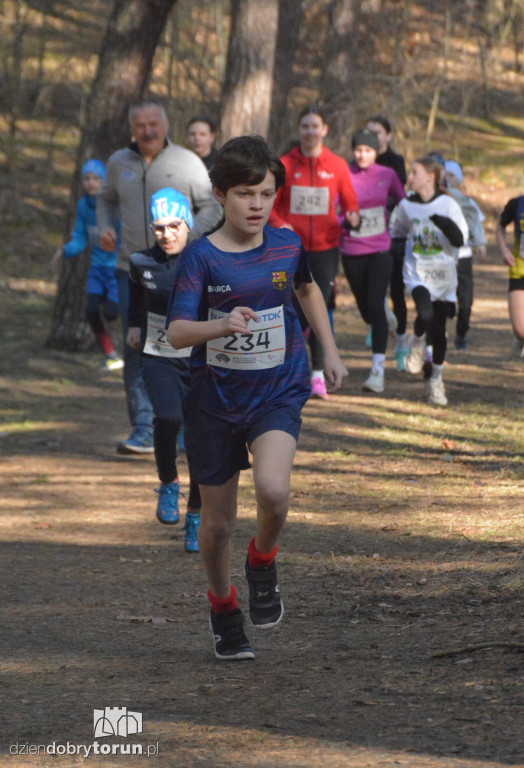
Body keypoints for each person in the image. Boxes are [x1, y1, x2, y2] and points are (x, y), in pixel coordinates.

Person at [167, 135, 347, 660]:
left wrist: (329, 353)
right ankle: (223, 606)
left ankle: (263, 559)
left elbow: (308, 289)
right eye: (246, 194)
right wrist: (220, 325)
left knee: (273, 491)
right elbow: (177, 333)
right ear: (221, 195)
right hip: (213, 400)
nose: (257, 205)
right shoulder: (200, 257)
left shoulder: (288, 245)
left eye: (266, 193)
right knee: (218, 525)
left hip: (276, 389)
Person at [97, 98, 222, 455]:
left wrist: (190, 238)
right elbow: (105, 200)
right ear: (132, 129)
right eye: (141, 126)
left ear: (166, 126)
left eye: (154, 124)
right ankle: (143, 427)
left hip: (184, 271)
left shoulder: (186, 161)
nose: (148, 131)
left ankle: (182, 424)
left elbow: (212, 203)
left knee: (184, 344)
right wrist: (106, 227)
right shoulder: (119, 162)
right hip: (131, 267)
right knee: (136, 343)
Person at [127, 188, 202, 552]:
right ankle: (169, 483)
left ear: (188, 224)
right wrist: (133, 325)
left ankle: (197, 516)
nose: (168, 234)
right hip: (159, 354)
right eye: (160, 228)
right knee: (168, 418)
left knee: (203, 440)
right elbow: (137, 296)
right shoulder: (141, 261)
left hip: (202, 359)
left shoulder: (205, 257)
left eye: (175, 225)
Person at [269, 106, 359, 399]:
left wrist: (354, 217)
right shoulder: (284, 164)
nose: (310, 131)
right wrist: (282, 225)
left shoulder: (337, 165)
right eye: (305, 126)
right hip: (289, 249)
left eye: (315, 126)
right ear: (299, 130)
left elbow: (350, 202)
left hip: (325, 249)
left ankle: (318, 373)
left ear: (324, 130)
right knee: (293, 309)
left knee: (320, 307)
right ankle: (290, 368)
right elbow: (269, 204)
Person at [390, 155, 468, 406]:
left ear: (430, 177)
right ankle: (418, 340)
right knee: (424, 314)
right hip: (418, 274)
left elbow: (459, 240)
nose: (409, 177)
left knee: (440, 329)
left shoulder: (448, 204)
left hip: (444, 277)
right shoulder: (406, 206)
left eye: (414, 173)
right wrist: (398, 249)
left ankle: (436, 380)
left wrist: (443, 223)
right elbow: (398, 233)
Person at [339, 128, 405, 393]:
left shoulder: (387, 175)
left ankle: (377, 371)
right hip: (352, 250)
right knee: (368, 312)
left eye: (367, 150)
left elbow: (404, 203)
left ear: (376, 151)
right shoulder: (343, 174)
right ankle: (383, 317)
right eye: (358, 150)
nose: (362, 154)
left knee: (376, 306)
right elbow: (331, 211)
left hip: (381, 249)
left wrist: (401, 229)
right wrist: (346, 221)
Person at [51, 159, 123, 371]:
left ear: (104, 181)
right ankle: (111, 355)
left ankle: (135, 351)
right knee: (91, 311)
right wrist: (65, 250)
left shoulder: (114, 205)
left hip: (118, 269)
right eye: (87, 178)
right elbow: (80, 239)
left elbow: (128, 234)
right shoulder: (83, 206)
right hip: (97, 268)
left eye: (96, 178)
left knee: (112, 312)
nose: (91, 183)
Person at [366, 115, 409, 369]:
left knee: (396, 290)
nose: (373, 136)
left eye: (378, 132)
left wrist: (378, 208)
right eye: (369, 132)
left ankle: (402, 342)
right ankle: (378, 323)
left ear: (388, 136)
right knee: (373, 289)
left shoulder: (395, 162)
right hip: (366, 237)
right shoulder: (359, 162)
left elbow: (398, 196)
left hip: (392, 234)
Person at [444, 160, 488, 350]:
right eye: (444, 174)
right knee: (444, 299)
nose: (447, 178)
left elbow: (475, 222)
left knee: (466, 300)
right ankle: (440, 333)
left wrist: (480, 243)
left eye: (452, 175)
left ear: (460, 180)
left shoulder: (467, 202)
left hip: (463, 256)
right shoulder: (437, 200)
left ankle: (461, 334)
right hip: (443, 257)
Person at [495, 194, 524, 357]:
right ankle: (520, 339)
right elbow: (500, 227)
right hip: (519, 269)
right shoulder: (517, 204)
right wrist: (504, 249)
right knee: (521, 330)